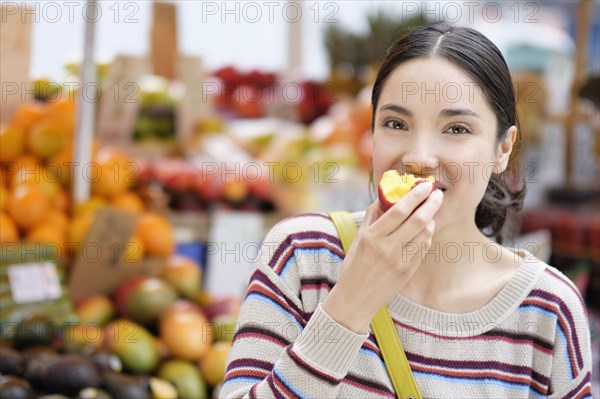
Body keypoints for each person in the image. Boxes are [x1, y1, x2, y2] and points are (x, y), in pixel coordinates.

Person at [219, 22, 593, 399]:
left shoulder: (549, 310)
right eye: (396, 123)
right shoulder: (300, 256)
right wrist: (351, 303)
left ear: (503, 149)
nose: (419, 158)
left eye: (457, 128)